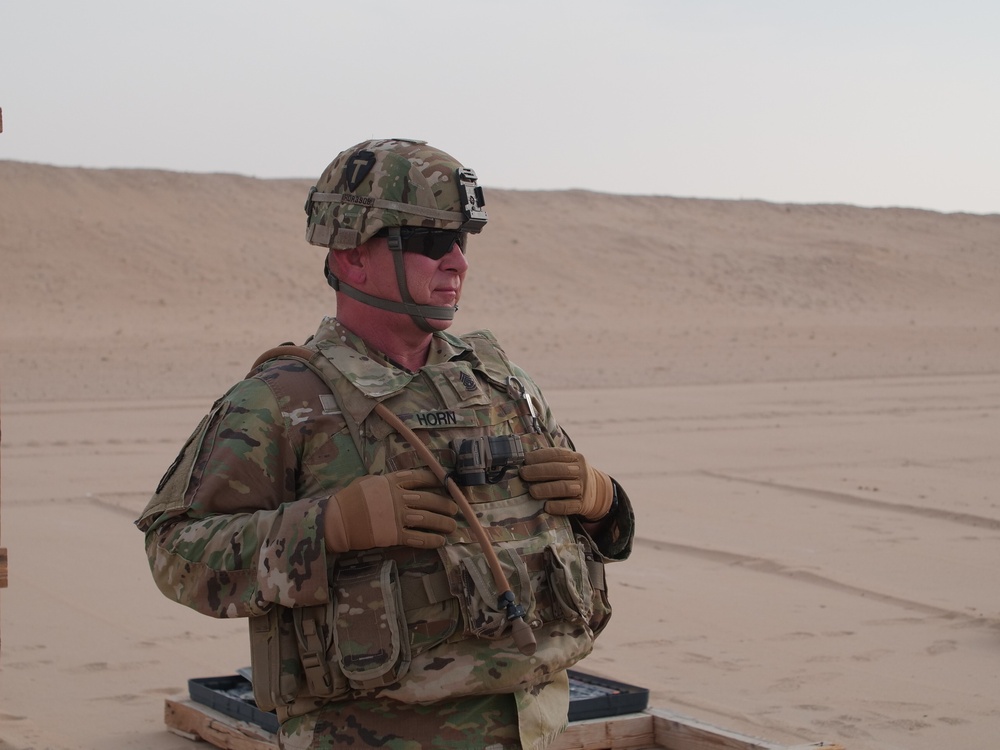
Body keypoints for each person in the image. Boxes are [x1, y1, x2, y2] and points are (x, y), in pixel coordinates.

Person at [137, 138, 634, 750]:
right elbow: (174, 554)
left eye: (462, 240)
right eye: (428, 242)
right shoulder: (283, 400)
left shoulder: (500, 384)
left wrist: (603, 501)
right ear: (350, 254)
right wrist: (328, 528)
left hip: (534, 727)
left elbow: (579, 540)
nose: (457, 262)